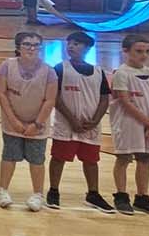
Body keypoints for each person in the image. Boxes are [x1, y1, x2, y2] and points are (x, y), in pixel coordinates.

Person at [48, 31, 115, 213]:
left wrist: (95, 120)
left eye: (76, 43)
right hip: (65, 124)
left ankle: (93, 193)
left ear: (87, 47)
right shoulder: (60, 68)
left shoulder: (99, 72)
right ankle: (53, 191)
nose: (71, 46)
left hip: (90, 126)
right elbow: (55, 96)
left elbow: (104, 99)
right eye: (69, 43)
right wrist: (71, 119)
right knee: (59, 157)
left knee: (91, 160)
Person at [0, 32, 58, 212]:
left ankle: (38, 194)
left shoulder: (49, 71)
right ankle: (3, 190)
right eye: (27, 44)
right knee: (9, 156)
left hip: (37, 125)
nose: (31, 48)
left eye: (36, 45)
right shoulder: (6, 66)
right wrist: (13, 120)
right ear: (18, 47)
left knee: (37, 160)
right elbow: (1, 93)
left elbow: (50, 100)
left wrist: (37, 124)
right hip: (12, 123)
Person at [111, 37, 149, 217]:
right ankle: (121, 196)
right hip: (128, 124)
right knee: (123, 159)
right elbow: (126, 102)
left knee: (145, 161)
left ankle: (142, 197)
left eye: (147, 51)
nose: (144, 55)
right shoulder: (121, 73)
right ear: (126, 51)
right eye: (139, 51)